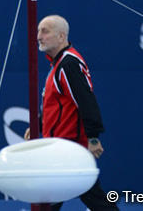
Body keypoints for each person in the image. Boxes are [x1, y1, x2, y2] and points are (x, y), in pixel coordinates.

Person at [24, 14, 118, 211]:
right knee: (90, 199)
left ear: (61, 36)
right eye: (38, 31)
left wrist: (93, 137)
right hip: (61, 148)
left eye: (45, 31)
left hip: (68, 150)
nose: (39, 36)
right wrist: (39, 123)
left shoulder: (68, 64)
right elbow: (60, 105)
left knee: (56, 201)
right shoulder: (58, 65)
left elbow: (85, 100)